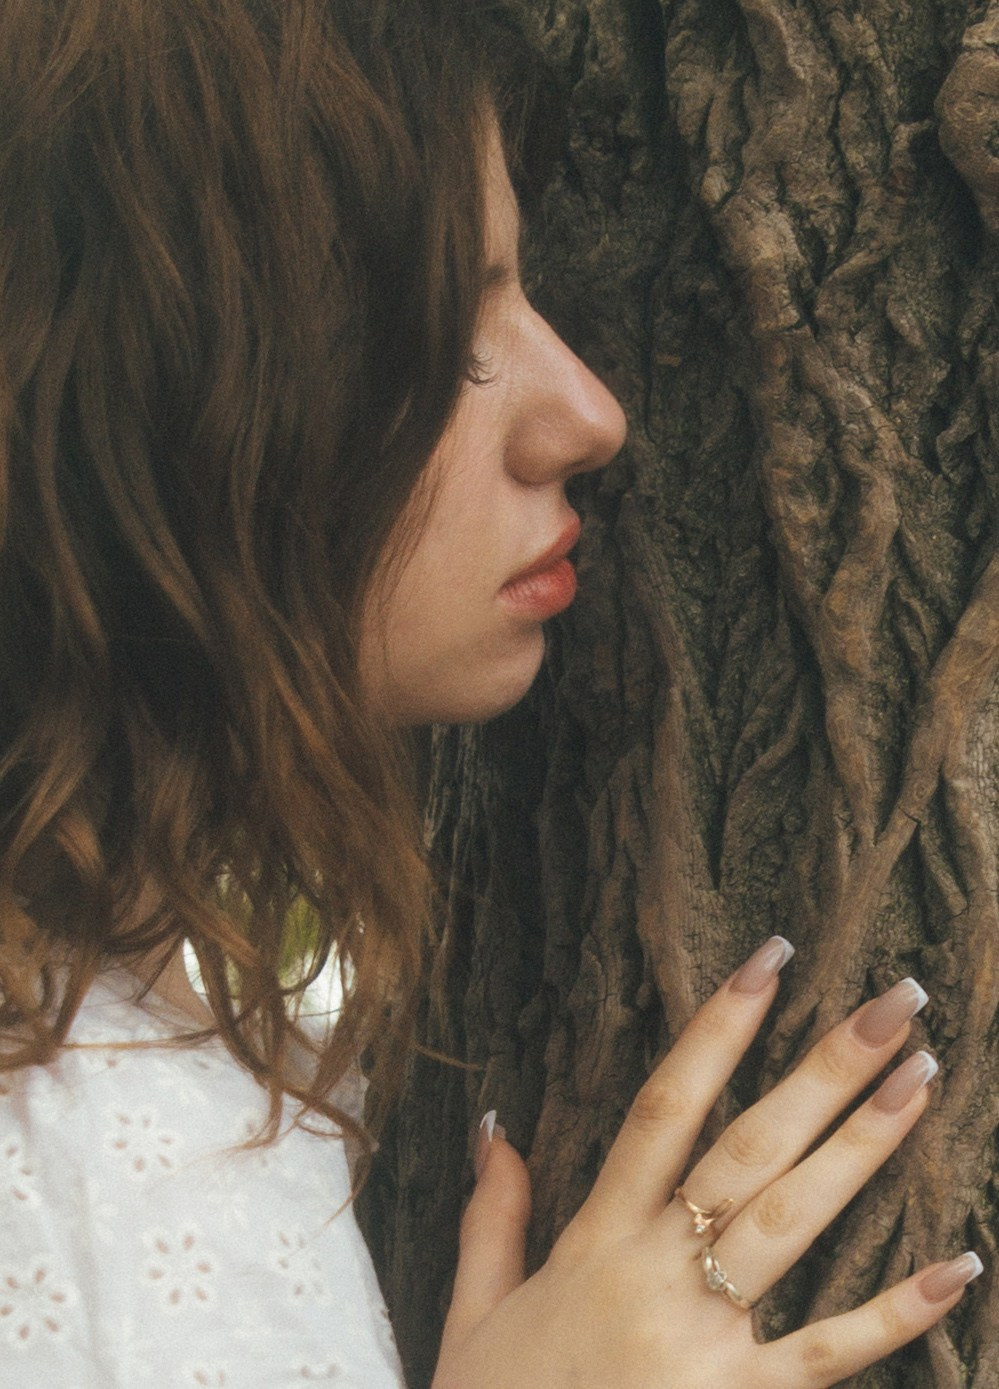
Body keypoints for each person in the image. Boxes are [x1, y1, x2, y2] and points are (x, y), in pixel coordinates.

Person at [0, 0, 981, 1385]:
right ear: (159, 415)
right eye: (454, 334)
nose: (587, 414)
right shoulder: (66, 1179)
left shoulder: (144, 1030)